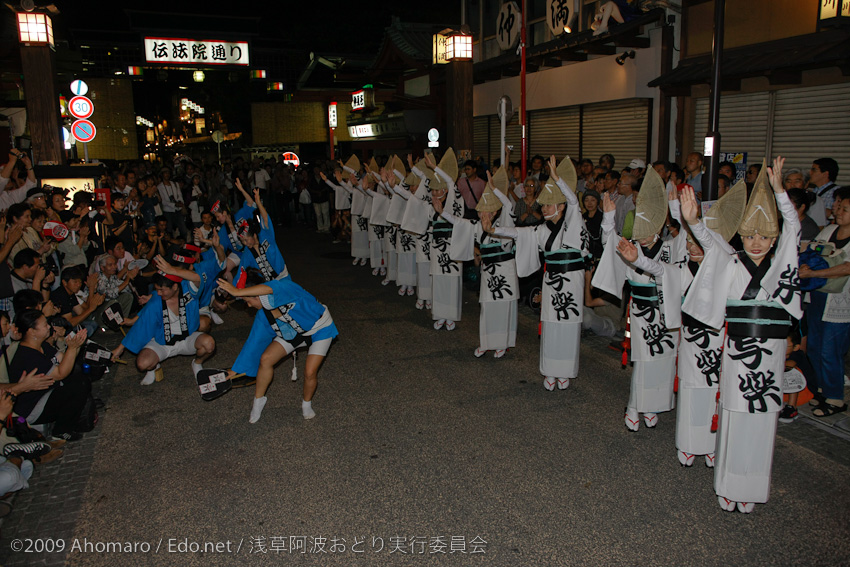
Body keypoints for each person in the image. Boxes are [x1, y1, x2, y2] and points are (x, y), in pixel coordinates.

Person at [682, 157, 802, 513]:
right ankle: (729, 483)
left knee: (763, 417)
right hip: (737, 352)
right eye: (750, 235)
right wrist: (692, 221)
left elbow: (794, 228)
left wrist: (780, 192)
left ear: (774, 238)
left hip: (770, 354)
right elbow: (708, 239)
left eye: (764, 236)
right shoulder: (730, 260)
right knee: (735, 413)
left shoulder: (782, 265)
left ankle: (751, 485)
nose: (755, 242)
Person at [593, 168, 684, 428]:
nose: (643, 233)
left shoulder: (670, 248)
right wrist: (609, 218)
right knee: (643, 361)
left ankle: (653, 405)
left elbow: (688, 239)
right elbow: (609, 242)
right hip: (642, 312)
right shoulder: (629, 247)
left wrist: (676, 209)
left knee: (664, 361)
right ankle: (635, 404)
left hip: (666, 313)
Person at [494, 156, 588, 390]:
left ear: (561, 206)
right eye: (543, 205)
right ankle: (550, 370)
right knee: (550, 324)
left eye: (548, 205)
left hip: (571, 281)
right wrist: (494, 229)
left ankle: (565, 371)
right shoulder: (541, 229)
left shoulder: (573, 223)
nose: (544, 208)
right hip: (551, 280)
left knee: (567, 324)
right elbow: (519, 233)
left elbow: (575, 203)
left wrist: (556, 178)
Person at [219, 269, 338, 423]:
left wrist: (236, 291)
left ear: (257, 294)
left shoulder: (285, 287)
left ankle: (306, 404)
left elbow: (270, 288)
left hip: (320, 328)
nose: (248, 306)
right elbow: (253, 342)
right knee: (266, 359)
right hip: (295, 331)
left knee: (309, 371)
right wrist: (236, 369)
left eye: (248, 301)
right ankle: (258, 401)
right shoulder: (263, 314)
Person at [440, 169, 518, 358]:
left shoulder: (504, 223)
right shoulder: (477, 226)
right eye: (481, 211)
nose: (484, 214)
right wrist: (441, 211)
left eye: (487, 211)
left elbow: (509, 205)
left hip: (504, 270)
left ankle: (502, 342)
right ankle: (487, 342)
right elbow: (459, 222)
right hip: (488, 271)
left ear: (494, 211)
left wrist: (495, 190)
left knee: (502, 306)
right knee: (487, 306)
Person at [110, 268, 215, 386]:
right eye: (157, 289)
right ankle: (152, 368)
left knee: (209, 344)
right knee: (142, 363)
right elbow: (141, 326)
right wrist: (119, 349)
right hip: (162, 342)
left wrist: (172, 269)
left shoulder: (189, 292)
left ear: (175, 287)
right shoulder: (156, 302)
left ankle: (197, 363)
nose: (159, 293)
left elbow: (198, 278)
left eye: (162, 290)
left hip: (187, 338)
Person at [798, 186, 850, 418]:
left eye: (844, 208)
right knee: (815, 347)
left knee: (831, 351)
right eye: (838, 205)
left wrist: (813, 274)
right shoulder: (829, 230)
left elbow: (846, 268)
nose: (837, 210)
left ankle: (835, 397)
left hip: (840, 304)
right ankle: (820, 388)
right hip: (817, 296)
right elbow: (811, 250)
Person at [8, 310, 90, 441]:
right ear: (32, 331)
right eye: (45, 324)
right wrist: (72, 348)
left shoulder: (41, 346)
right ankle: (62, 430)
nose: (49, 327)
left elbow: (64, 360)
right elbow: (61, 373)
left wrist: (76, 344)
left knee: (78, 378)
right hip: (32, 408)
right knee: (77, 386)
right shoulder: (28, 355)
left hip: (45, 393)